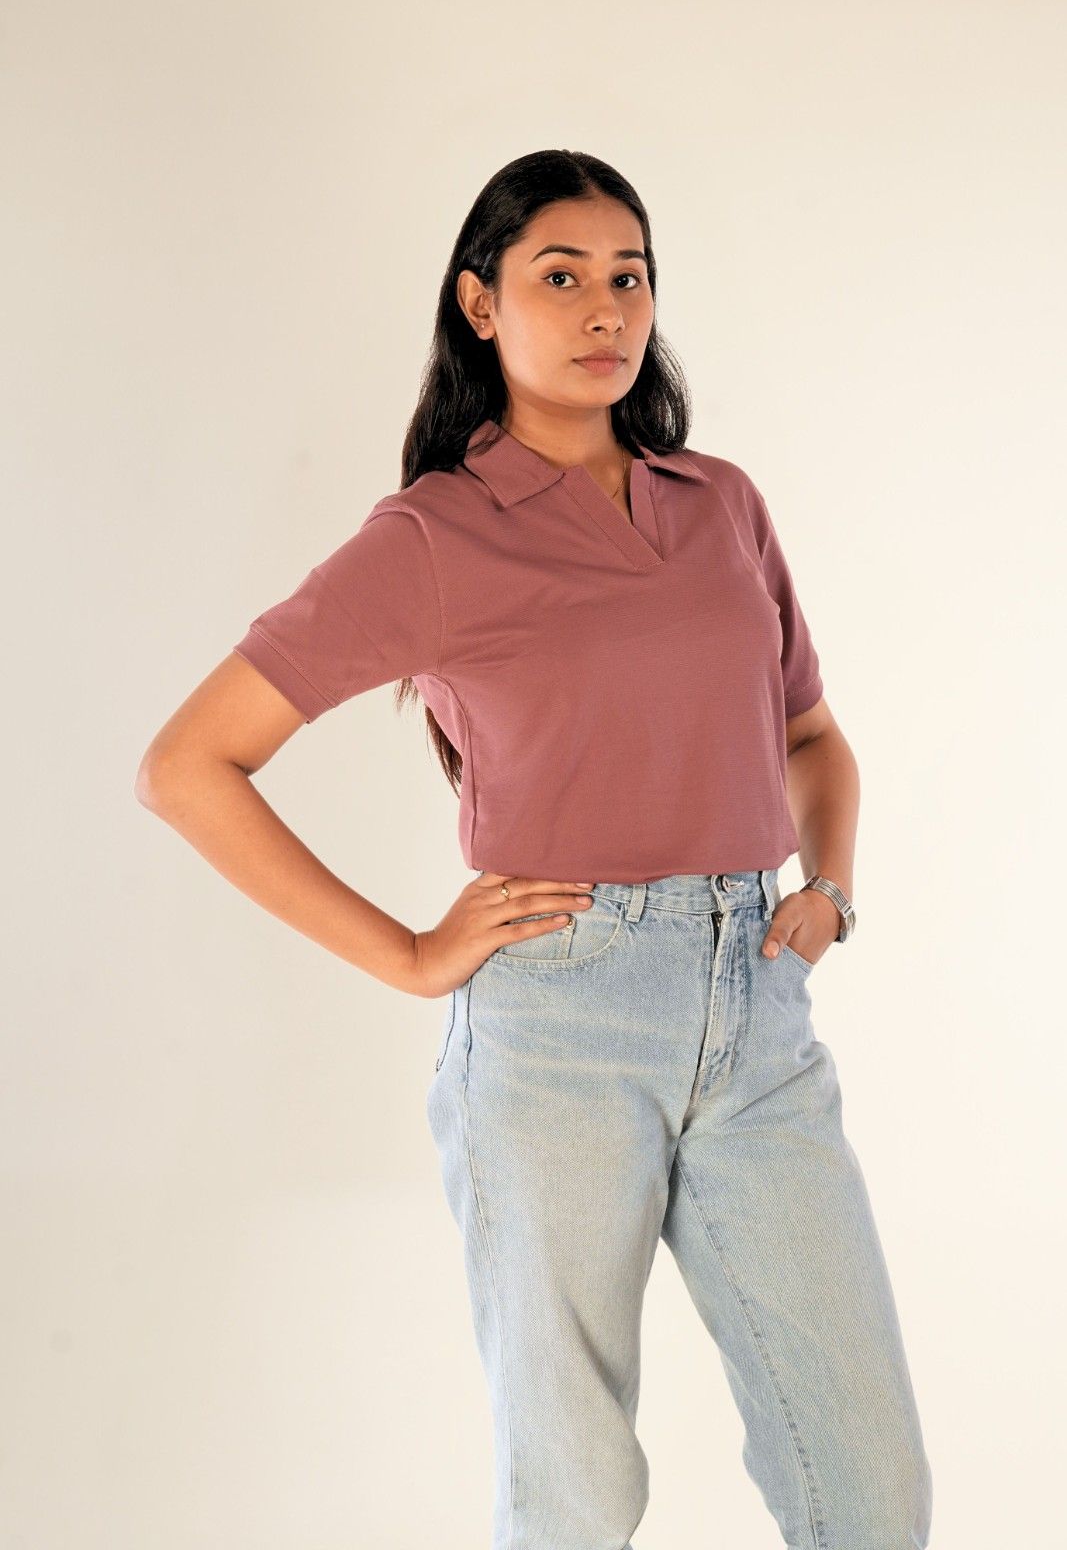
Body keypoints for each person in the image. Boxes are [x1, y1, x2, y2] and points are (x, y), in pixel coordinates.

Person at [135, 148, 933, 1549]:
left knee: (867, 1482)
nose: (602, 310)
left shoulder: (720, 503)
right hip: (555, 1022)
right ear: (480, 306)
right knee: (573, 1493)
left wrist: (833, 894)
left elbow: (813, 740)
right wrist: (408, 956)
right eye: (558, 278)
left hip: (758, 1010)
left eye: (627, 277)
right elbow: (188, 764)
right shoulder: (434, 538)